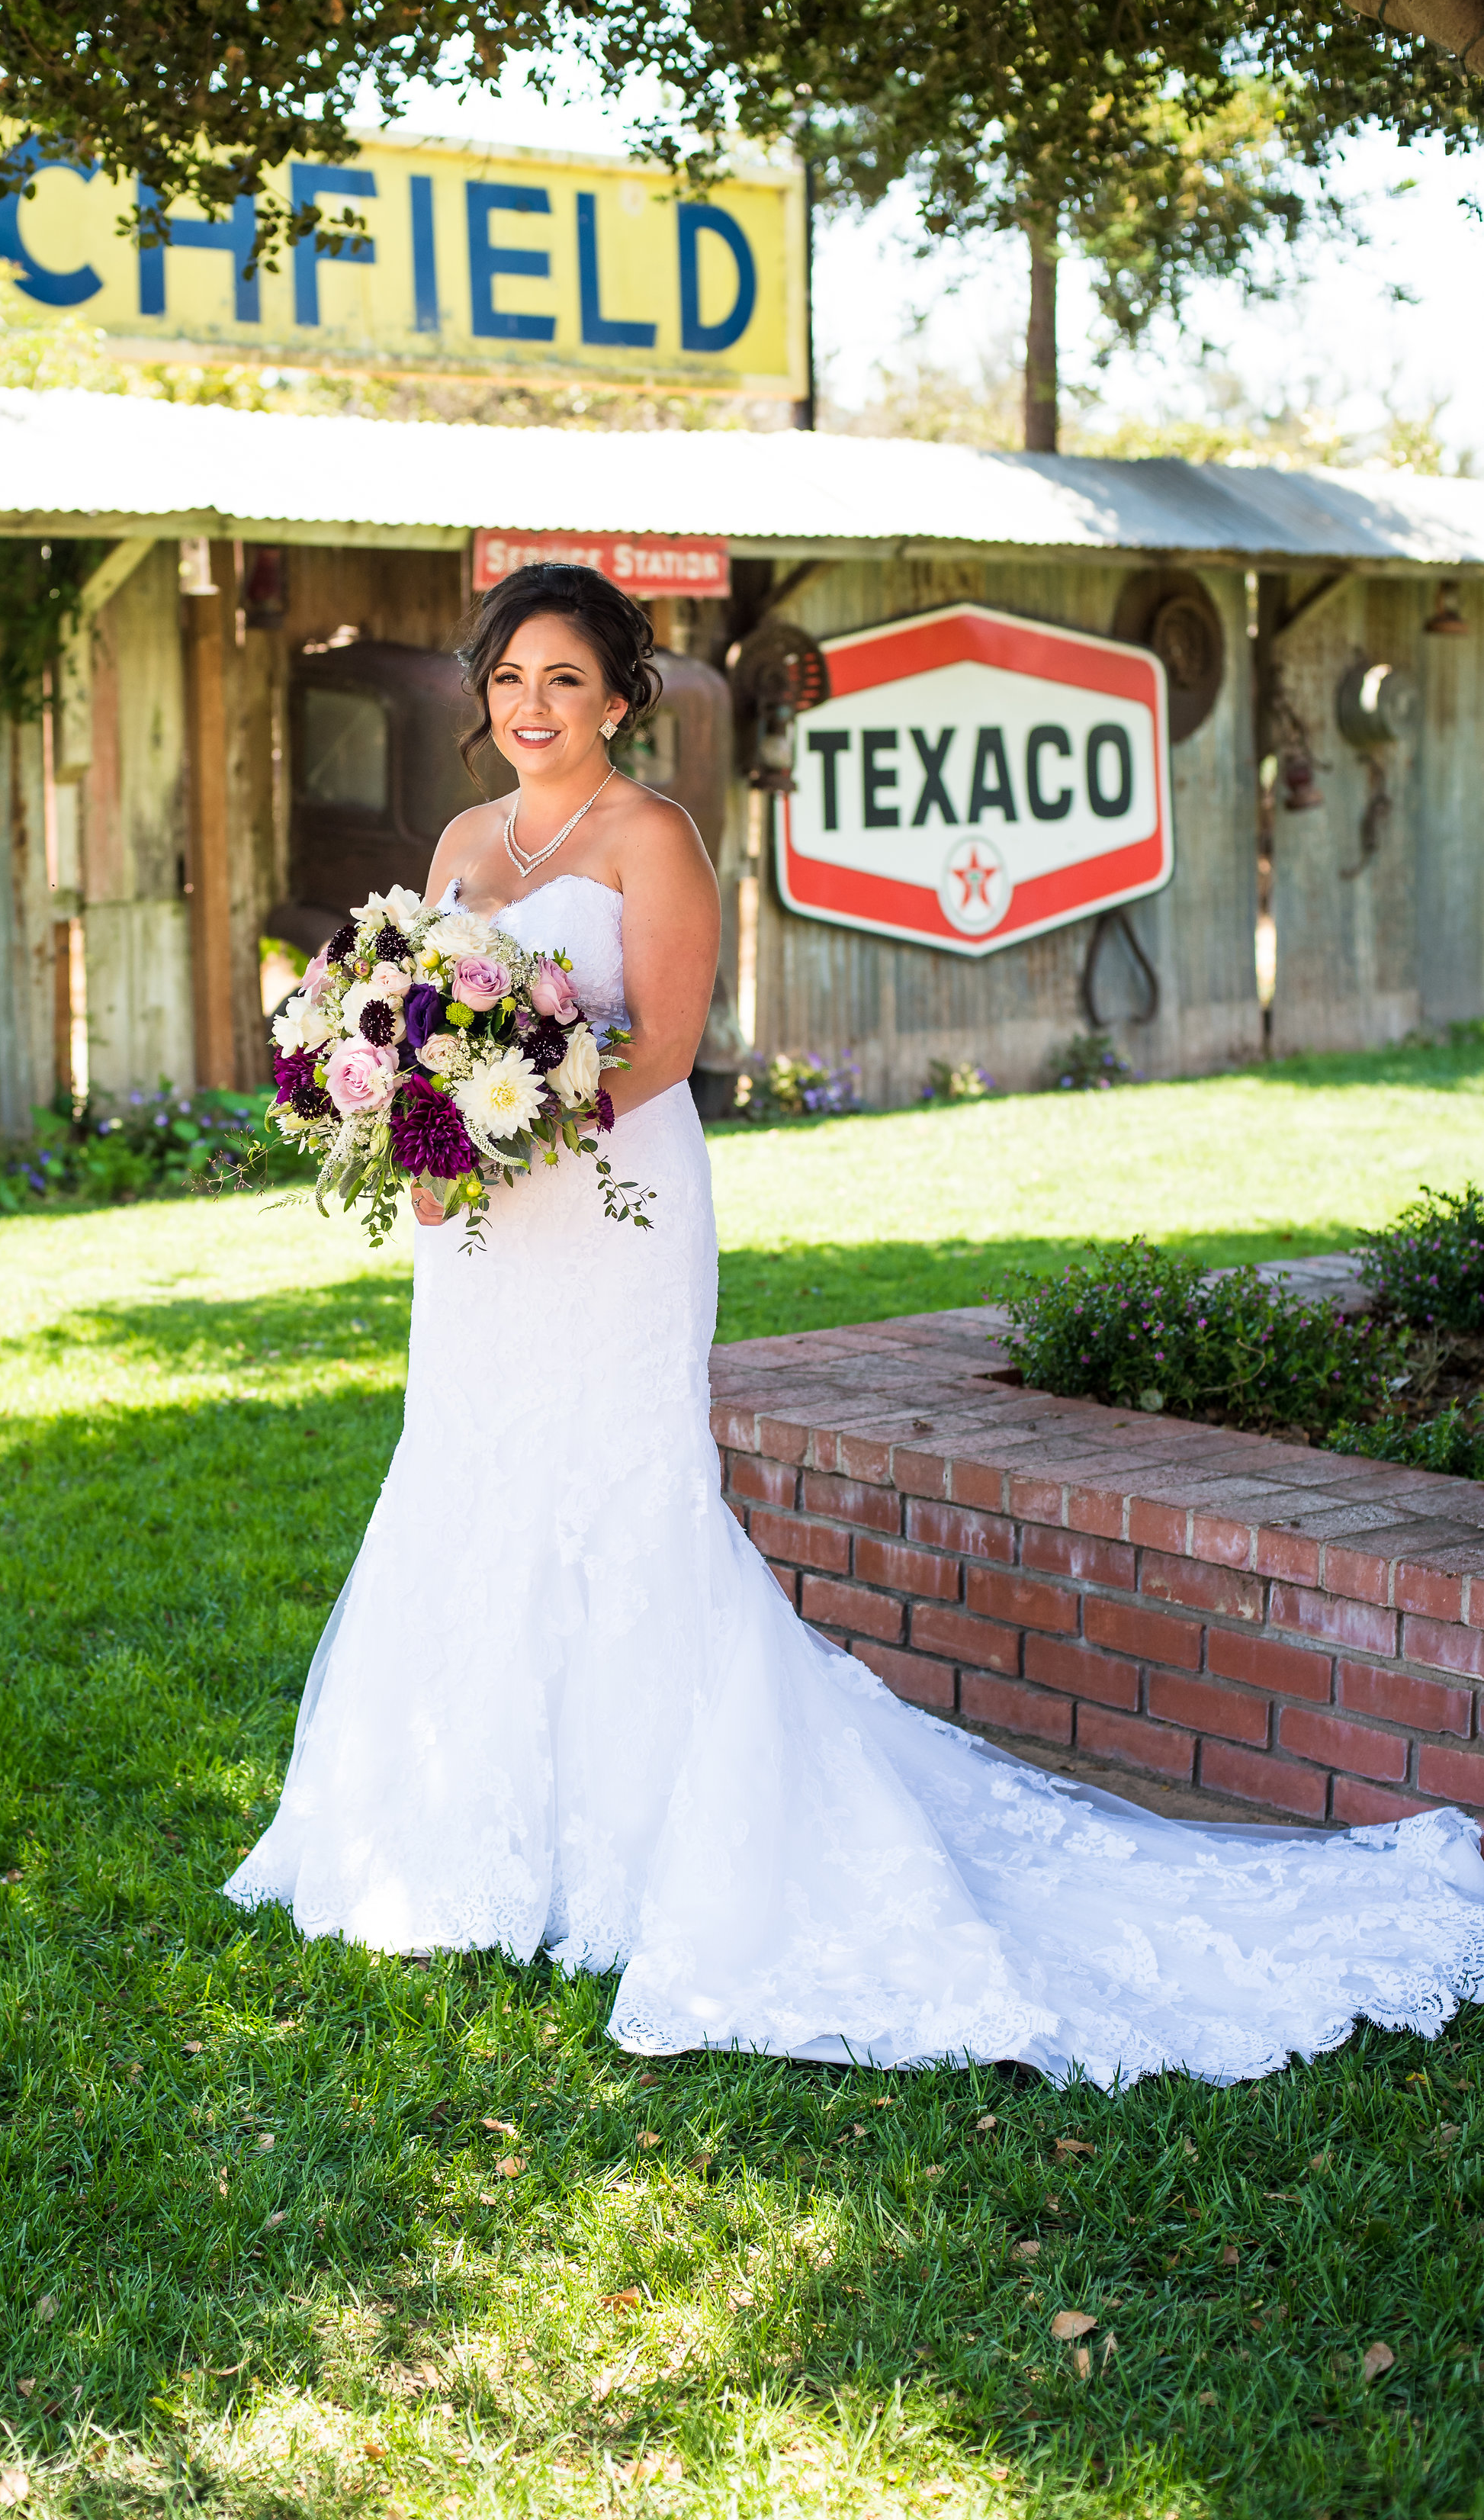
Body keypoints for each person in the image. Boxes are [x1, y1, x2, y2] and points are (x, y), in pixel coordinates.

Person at [224, 562, 1484, 2087]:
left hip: (609, 1204)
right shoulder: (458, 840)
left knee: (621, 1492)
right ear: (479, 704)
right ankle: (454, 1833)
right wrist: (410, 1124)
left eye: (564, 679)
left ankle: (647, 1848)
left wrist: (504, 1121)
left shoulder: (651, 838)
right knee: (470, 1473)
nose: (531, 707)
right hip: (481, 1233)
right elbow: (422, 1013)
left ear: (617, 699)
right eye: (507, 681)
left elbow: (666, 1045)